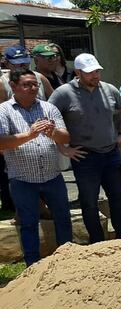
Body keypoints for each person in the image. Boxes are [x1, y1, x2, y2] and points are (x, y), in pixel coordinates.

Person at [0, 69, 84, 265]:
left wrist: (53, 132)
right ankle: (33, 266)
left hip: (52, 176)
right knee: (29, 224)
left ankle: (66, 261)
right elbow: (2, 143)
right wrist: (29, 135)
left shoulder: (48, 108)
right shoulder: (4, 110)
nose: (33, 88)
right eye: (26, 84)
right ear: (13, 87)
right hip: (22, 178)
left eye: (35, 84)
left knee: (63, 219)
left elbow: (66, 137)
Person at [49, 53, 121, 244]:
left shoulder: (109, 89)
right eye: (90, 72)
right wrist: (63, 148)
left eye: (97, 71)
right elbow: (48, 118)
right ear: (78, 72)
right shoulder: (63, 93)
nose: (95, 76)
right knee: (89, 203)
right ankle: (97, 242)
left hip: (111, 154)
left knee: (118, 199)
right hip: (85, 157)